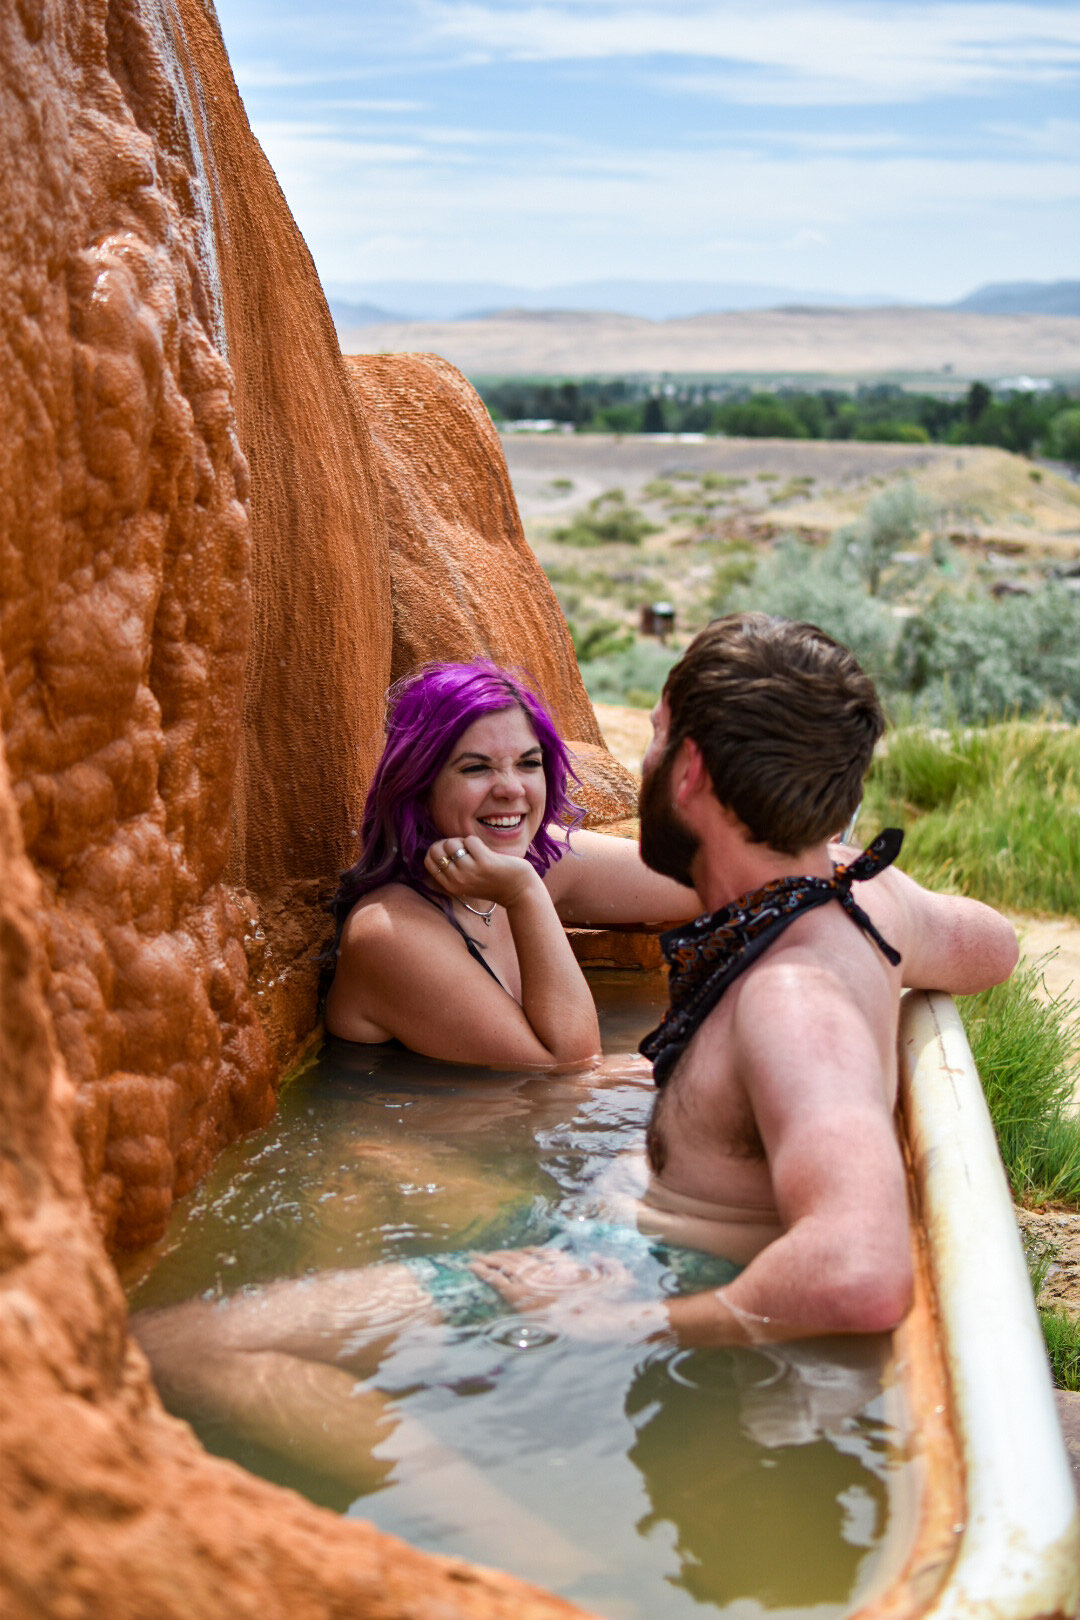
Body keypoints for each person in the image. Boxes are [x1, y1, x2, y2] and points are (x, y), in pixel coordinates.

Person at [472, 612, 1020, 1347]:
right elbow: (995, 946)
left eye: (657, 736)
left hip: (633, 1278)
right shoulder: (865, 896)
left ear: (690, 769)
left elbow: (860, 1273)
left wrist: (620, 1326)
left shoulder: (792, 999)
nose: (645, 762)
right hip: (620, 1247)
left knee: (260, 1346)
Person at [323, 660, 698, 1067]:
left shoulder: (528, 858)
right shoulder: (388, 933)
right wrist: (524, 892)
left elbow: (706, 882)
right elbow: (569, 1068)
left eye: (528, 763)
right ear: (419, 785)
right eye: (476, 767)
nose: (512, 788)